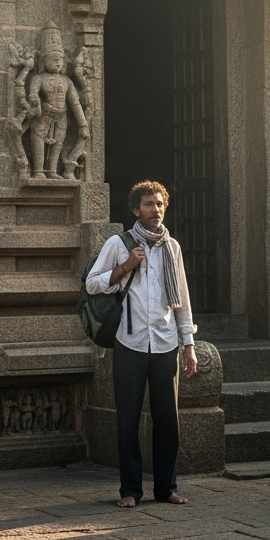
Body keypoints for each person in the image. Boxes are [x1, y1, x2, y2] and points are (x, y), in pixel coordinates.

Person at [85, 181, 199, 508]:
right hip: (130, 343)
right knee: (128, 420)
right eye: (149, 204)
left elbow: (182, 299)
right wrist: (126, 267)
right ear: (137, 210)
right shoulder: (120, 244)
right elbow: (93, 284)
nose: (156, 210)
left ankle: (166, 488)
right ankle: (130, 491)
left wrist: (188, 344)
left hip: (165, 343)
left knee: (168, 421)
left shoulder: (171, 248)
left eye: (160, 204)